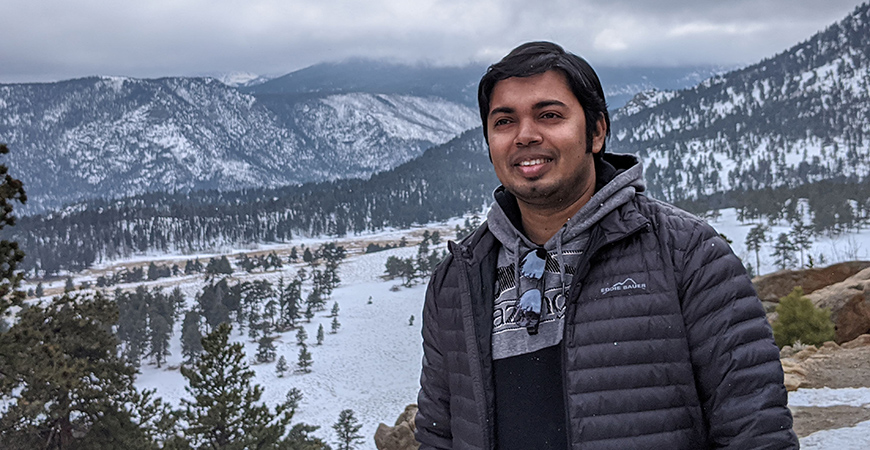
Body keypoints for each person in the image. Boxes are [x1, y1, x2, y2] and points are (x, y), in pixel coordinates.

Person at [415, 41, 798, 449]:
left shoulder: (686, 254)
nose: (525, 135)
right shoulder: (458, 279)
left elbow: (755, 429)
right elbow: (438, 434)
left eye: (549, 115)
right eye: (504, 121)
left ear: (596, 131)